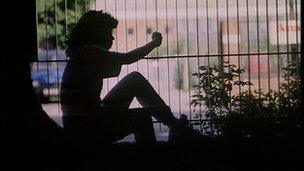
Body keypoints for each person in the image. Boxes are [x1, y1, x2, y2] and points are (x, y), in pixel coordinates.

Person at [60, 10, 208, 144]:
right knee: (140, 116)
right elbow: (128, 58)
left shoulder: (80, 54)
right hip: (87, 129)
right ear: (96, 33)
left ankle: (175, 126)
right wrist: (154, 43)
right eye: (108, 32)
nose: (112, 37)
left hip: (83, 124)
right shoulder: (89, 52)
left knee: (134, 80)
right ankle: (170, 136)